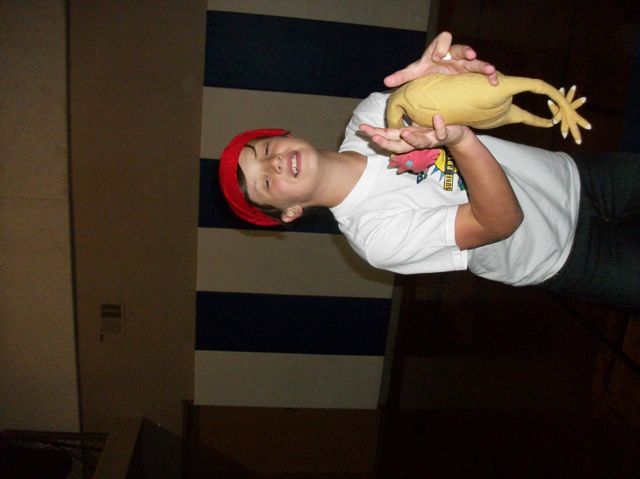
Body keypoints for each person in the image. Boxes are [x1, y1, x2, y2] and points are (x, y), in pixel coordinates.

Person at [218, 32, 640, 310]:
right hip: (564, 255)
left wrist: (451, 71)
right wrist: (460, 142)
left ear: (286, 136)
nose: (274, 163)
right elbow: (501, 221)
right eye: (265, 182)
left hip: (574, 176)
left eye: (265, 150)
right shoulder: (375, 237)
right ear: (289, 212)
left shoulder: (372, 114)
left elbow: (473, 101)